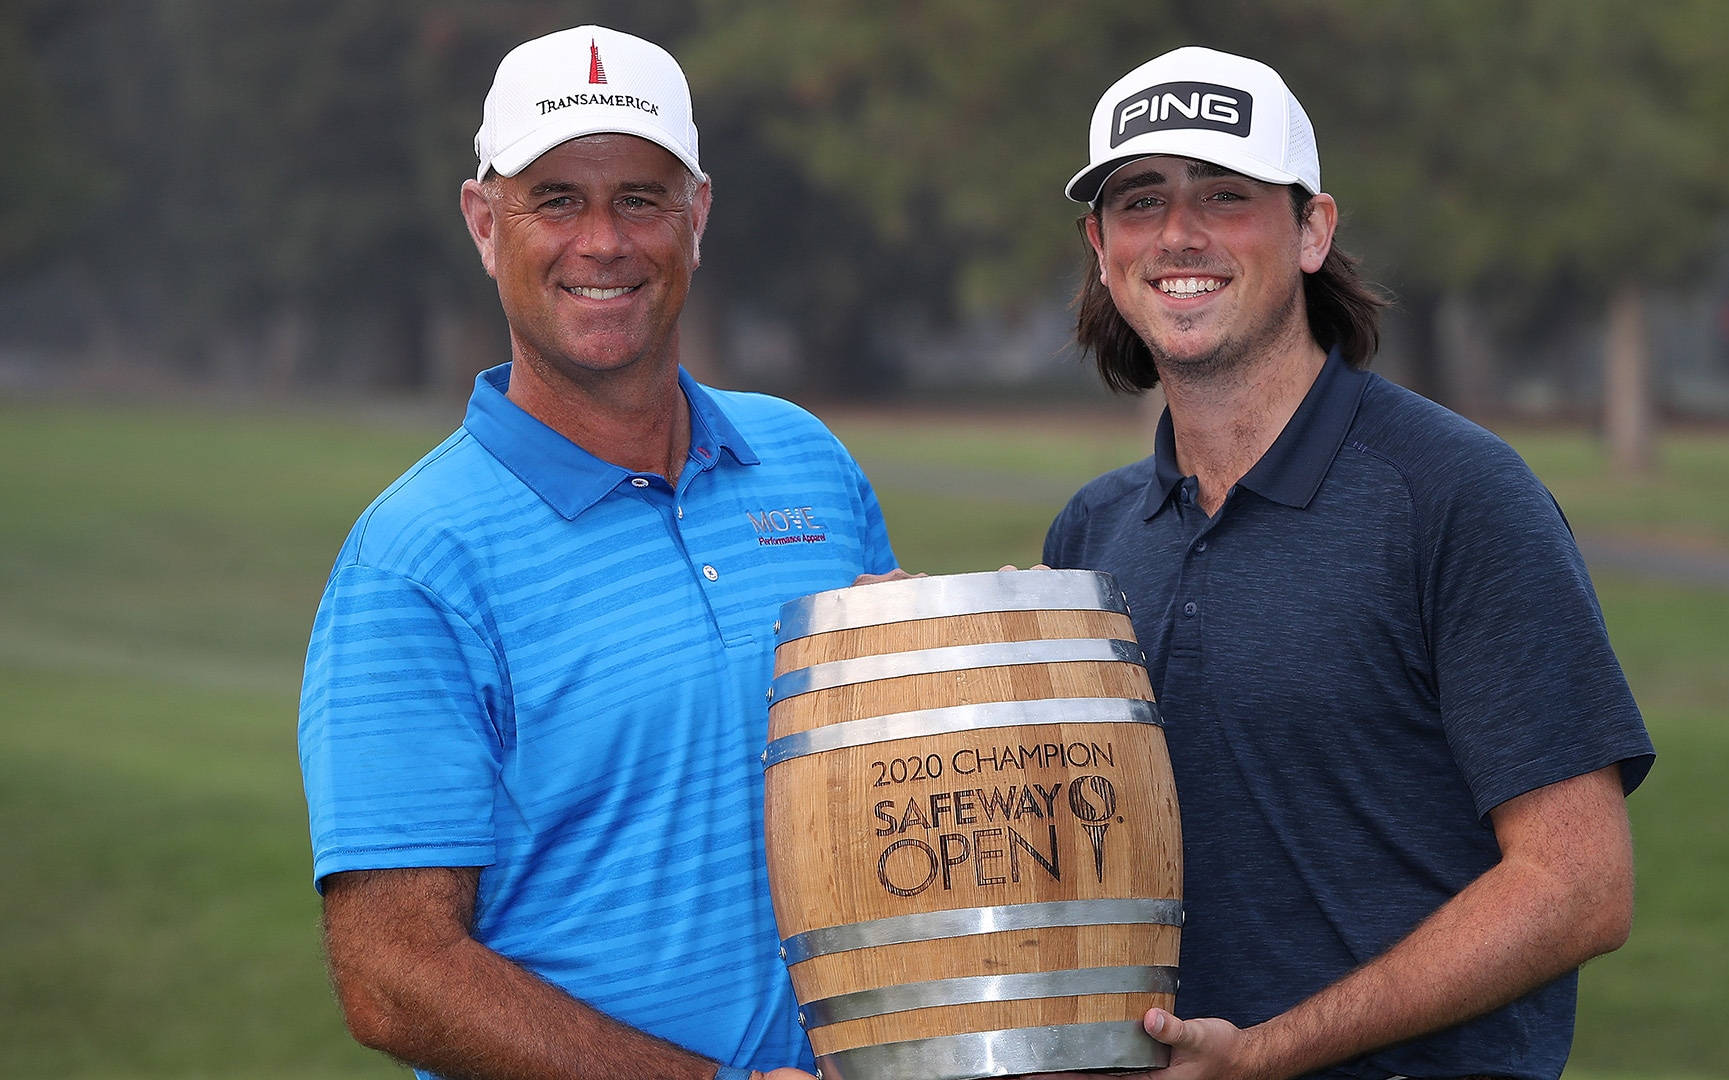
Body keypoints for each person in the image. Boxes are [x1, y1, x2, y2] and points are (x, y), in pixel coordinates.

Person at [1039, 47, 1655, 1080]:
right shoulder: (1090, 536)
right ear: (1101, 246)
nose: (1180, 234)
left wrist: (1270, 1054)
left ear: (1313, 230)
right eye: (1141, 201)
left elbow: (1577, 886)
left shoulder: (1456, 497)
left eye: (1226, 196)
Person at [296, 25, 897, 1080]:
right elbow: (394, 974)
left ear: (697, 217)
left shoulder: (810, 464)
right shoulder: (415, 561)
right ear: (487, 224)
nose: (603, 242)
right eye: (557, 200)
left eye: (640, 198)